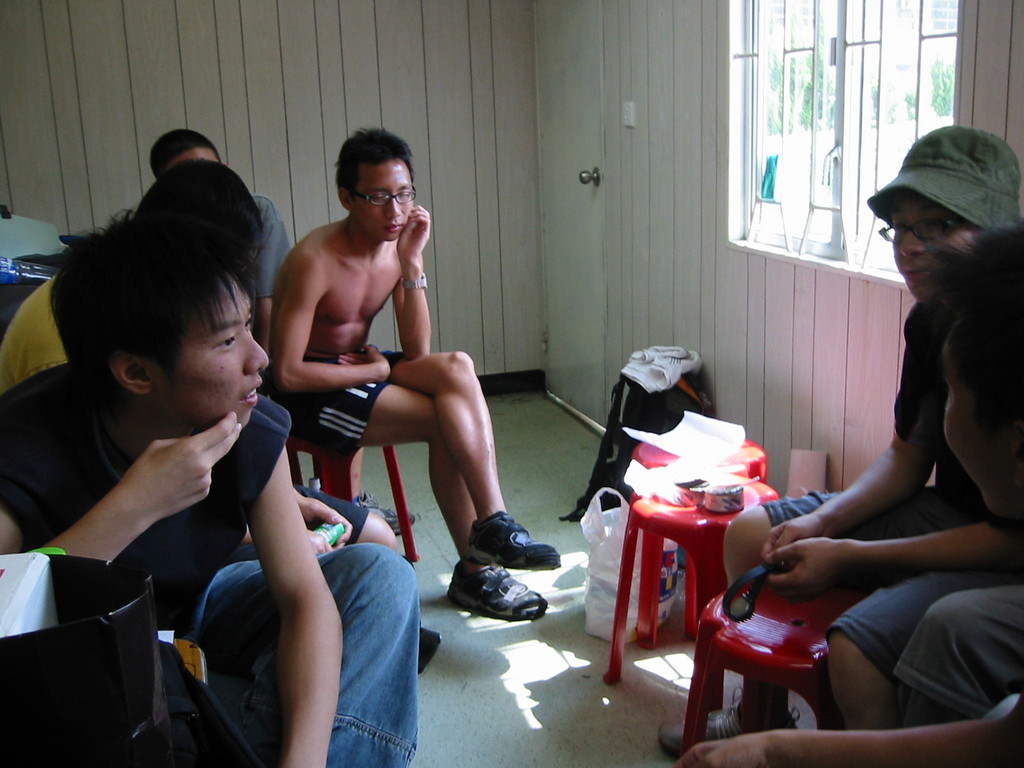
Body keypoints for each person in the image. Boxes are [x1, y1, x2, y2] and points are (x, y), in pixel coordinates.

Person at [0, 211, 421, 767]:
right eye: (226, 340)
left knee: (380, 574)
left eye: (247, 326)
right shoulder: (23, 445)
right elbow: (9, 611)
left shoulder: (246, 422)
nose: (259, 357)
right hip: (82, 663)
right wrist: (134, 506)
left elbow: (304, 599)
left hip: (193, 616)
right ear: (137, 373)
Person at [713, 125, 1024, 736]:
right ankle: (757, 714)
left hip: (1000, 540)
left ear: (999, 232)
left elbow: (1012, 537)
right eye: (900, 228)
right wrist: (825, 521)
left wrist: (850, 554)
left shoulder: (1008, 340)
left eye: (936, 226)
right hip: (952, 514)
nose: (910, 246)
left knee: (858, 650)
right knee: (752, 534)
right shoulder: (931, 321)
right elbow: (908, 456)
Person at [267, 127, 561, 621]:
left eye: (404, 194)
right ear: (347, 197)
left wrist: (411, 262)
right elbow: (287, 374)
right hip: (311, 392)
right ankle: (476, 569)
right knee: (444, 419)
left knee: (456, 367)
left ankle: (493, 521)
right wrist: (378, 368)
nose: (395, 211)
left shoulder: (395, 247)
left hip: (360, 367)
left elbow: (418, 351)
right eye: (378, 197)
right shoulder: (314, 260)